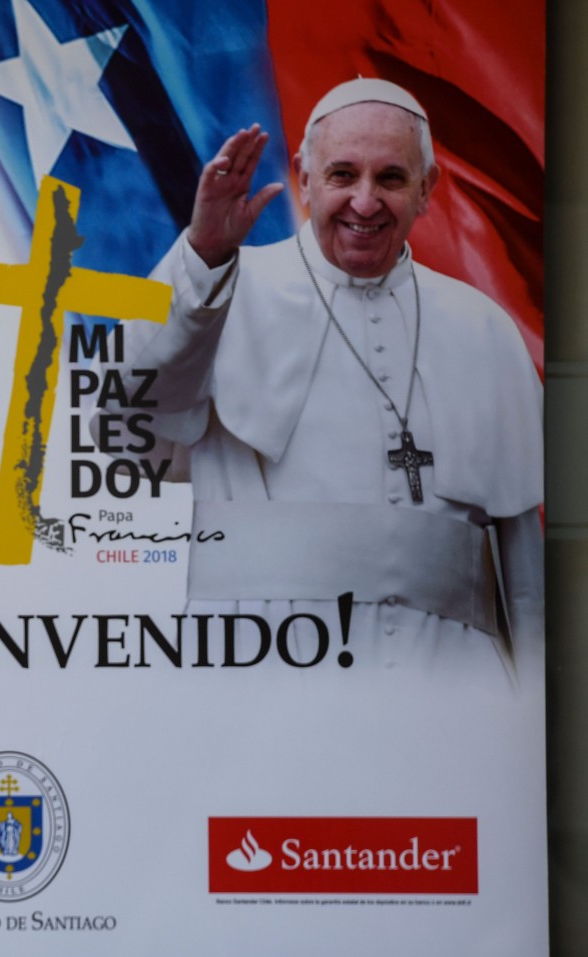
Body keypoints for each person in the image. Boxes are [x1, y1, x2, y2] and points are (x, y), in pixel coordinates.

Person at [93, 78, 543, 685]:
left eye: (390, 178)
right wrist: (201, 261)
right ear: (304, 176)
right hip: (265, 687)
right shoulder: (217, 289)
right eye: (342, 175)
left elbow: (526, 586)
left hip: (451, 697)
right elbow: (124, 433)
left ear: (426, 190)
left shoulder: (483, 330)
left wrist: (526, 725)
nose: (365, 202)